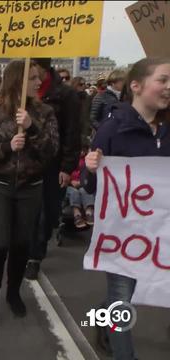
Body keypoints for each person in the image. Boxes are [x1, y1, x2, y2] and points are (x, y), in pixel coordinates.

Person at [84, 58, 170, 360]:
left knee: (127, 296)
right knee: (122, 302)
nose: (169, 87)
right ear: (136, 86)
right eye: (163, 79)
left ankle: (100, 318)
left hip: (160, 234)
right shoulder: (112, 128)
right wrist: (92, 168)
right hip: (123, 238)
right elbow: (90, 187)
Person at [0, 60, 59, 333]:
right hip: (0, 185)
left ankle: (13, 292)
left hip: (30, 187)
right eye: (32, 78)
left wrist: (32, 128)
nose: (38, 82)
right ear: (16, 82)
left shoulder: (44, 112)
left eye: (39, 78)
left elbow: (51, 151)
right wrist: (7, 146)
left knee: (22, 243)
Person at [25, 58, 81, 280]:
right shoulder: (22, 91)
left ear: (42, 67)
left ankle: (36, 253)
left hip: (53, 163)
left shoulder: (65, 95)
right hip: (26, 161)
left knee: (47, 212)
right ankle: (30, 254)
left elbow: (72, 132)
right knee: (29, 211)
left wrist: (67, 167)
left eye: (33, 67)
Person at [67, 148, 94, 229]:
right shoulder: (69, 161)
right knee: (74, 192)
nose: (81, 152)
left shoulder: (86, 161)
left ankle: (89, 213)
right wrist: (70, 182)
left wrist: (81, 183)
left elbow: (87, 176)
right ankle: (77, 215)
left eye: (83, 150)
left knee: (85, 191)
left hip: (82, 184)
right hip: (69, 185)